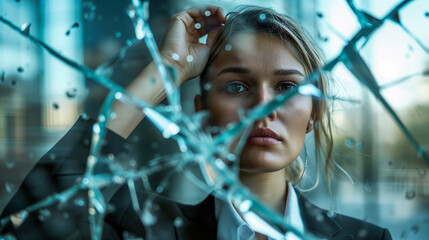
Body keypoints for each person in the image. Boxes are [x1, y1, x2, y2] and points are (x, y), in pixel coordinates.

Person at [0, 5, 392, 240]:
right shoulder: (145, 229)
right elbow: (33, 217)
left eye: (287, 87)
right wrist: (167, 70)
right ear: (203, 111)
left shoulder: (371, 239)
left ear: (313, 115)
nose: (262, 106)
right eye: (237, 85)